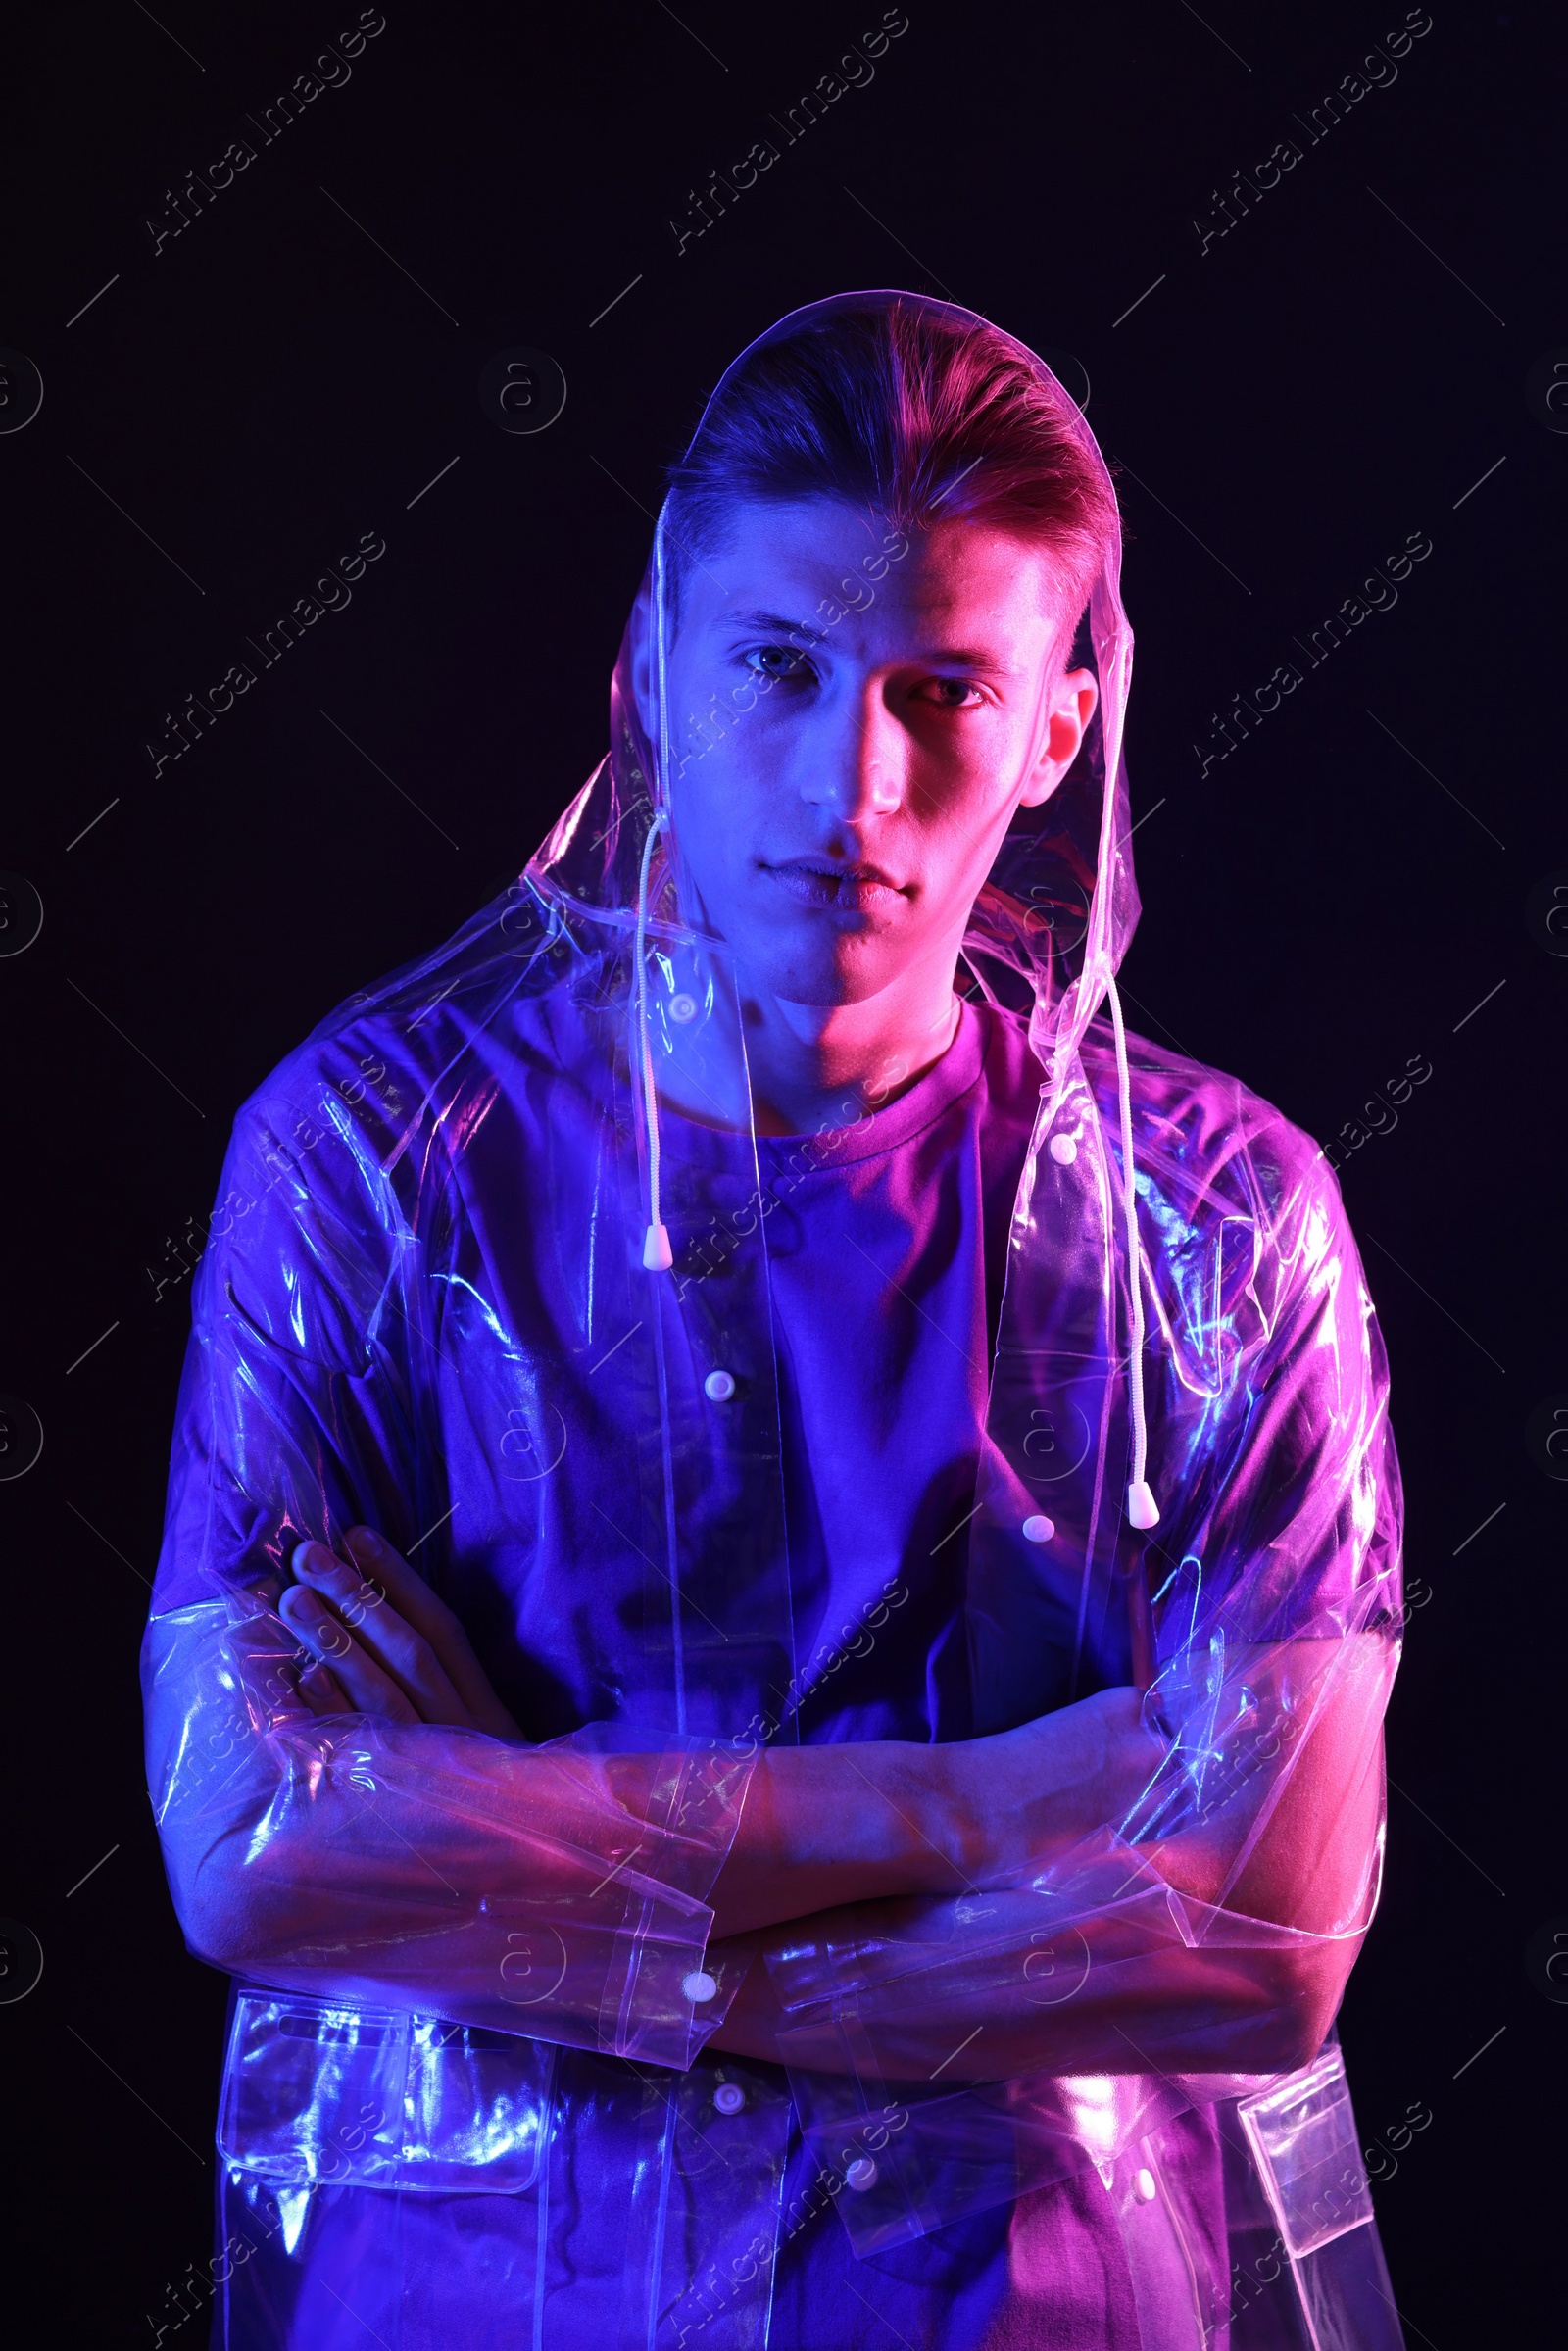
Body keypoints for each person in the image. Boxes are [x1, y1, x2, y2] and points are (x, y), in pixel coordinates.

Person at [143, 293, 1406, 2350]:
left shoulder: (1216, 1221)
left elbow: (1260, 1942)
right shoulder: (374, 1163)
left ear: (1058, 727)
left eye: (941, 692)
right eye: (778, 668)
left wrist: (521, 1843)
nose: (855, 783)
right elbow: (258, 1851)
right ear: (647, 672)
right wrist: (997, 1808)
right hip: (489, 2301)